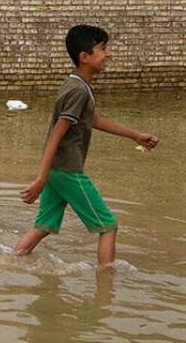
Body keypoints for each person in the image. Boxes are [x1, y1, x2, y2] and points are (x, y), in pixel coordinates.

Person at [14, 25, 159, 267]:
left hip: (56, 171)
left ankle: (10, 261)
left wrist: (135, 135)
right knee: (108, 226)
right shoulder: (78, 90)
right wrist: (40, 179)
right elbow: (55, 136)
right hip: (67, 171)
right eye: (103, 49)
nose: (108, 54)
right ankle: (105, 289)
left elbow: (92, 120)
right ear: (84, 57)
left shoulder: (76, 84)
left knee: (44, 226)